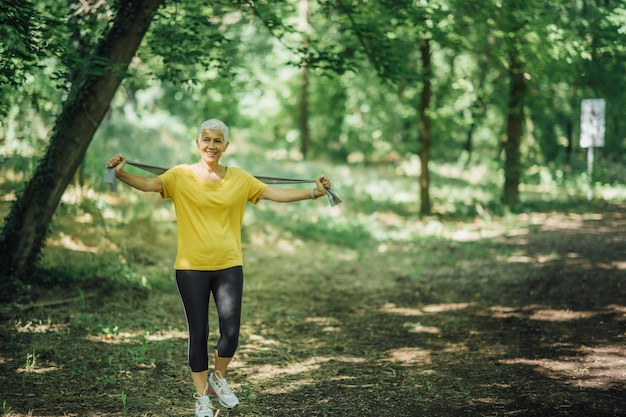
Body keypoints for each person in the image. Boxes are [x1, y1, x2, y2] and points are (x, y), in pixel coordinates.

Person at [106, 118, 332, 417]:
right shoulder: (180, 175)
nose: (211, 145)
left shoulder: (240, 179)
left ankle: (219, 378)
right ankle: (202, 397)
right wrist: (120, 173)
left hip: (228, 264)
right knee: (198, 333)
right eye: (206, 139)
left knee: (231, 332)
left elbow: (274, 194)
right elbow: (149, 185)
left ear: (226, 146)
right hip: (190, 267)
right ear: (198, 143)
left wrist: (314, 192)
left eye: (217, 141)